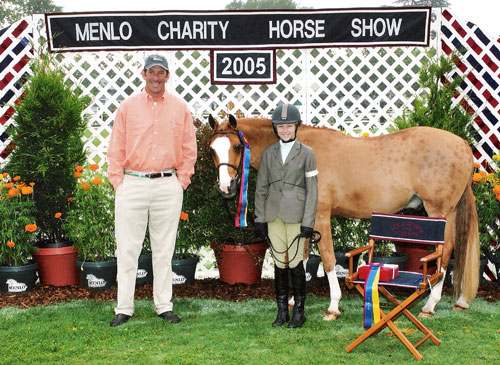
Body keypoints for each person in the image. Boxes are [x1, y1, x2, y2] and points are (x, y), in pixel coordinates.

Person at [107, 54, 197, 327]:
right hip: (131, 184)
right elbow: (116, 146)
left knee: (164, 249)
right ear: (143, 74)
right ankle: (124, 307)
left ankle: (164, 305)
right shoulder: (127, 107)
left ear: (167, 76)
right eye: (152, 72)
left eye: (162, 73)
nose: (156, 77)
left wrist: (181, 180)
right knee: (127, 249)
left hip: (167, 185)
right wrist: (118, 181)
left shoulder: (180, 108)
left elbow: (188, 148)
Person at [254, 103, 318, 328]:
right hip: (273, 215)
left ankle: (299, 311)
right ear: (275, 129)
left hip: (296, 215)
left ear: (296, 127)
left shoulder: (307, 154)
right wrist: (259, 217)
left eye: (289, 126)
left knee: (296, 263)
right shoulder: (269, 153)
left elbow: (312, 191)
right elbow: (261, 187)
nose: (285, 130)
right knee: (280, 263)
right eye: (281, 127)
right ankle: (282, 311)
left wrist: (308, 222)